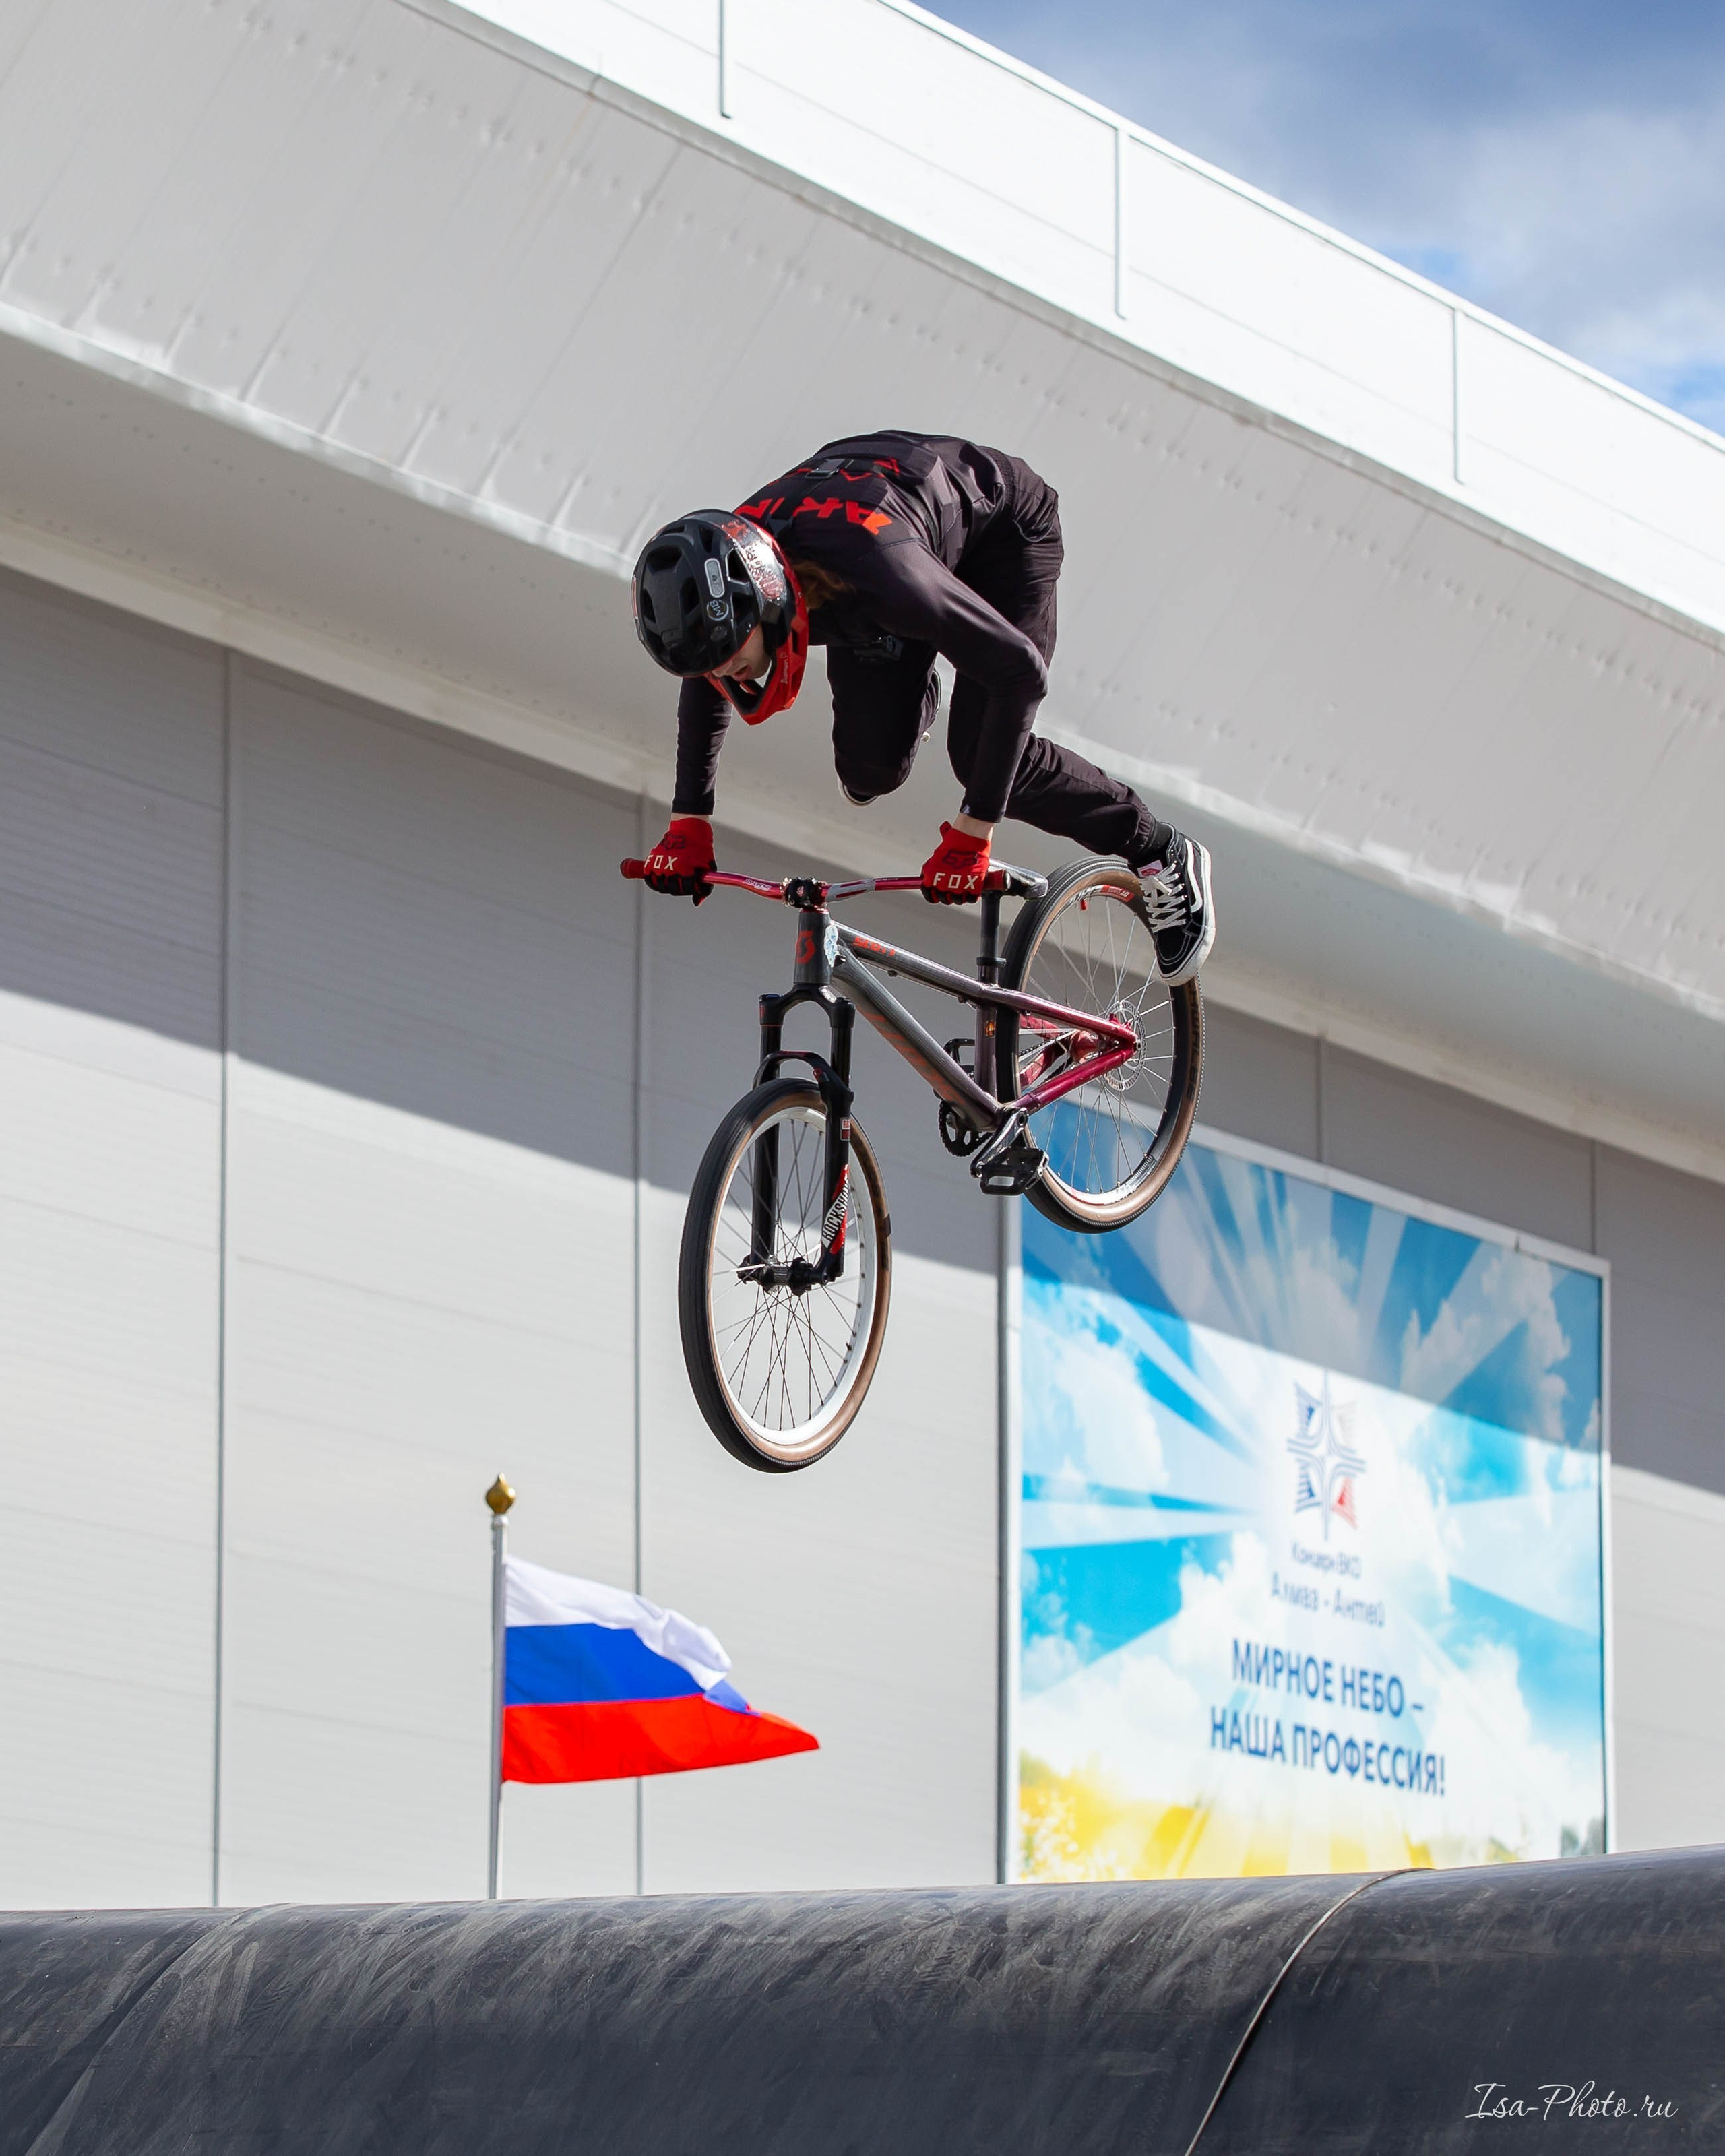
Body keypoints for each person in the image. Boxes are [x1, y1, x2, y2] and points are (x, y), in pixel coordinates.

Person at [629, 431, 1215, 983]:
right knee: (868, 773)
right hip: (886, 550)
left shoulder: (881, 574)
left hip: (1000, 537)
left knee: (985, 757)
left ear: (767, 596)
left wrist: (975, 830)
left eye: (729, 655)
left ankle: (1161, 850)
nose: (721, 673)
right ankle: (924, 648)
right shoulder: (737, 566)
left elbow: (1021, 674)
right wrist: (689, 821)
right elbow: (709, 669)